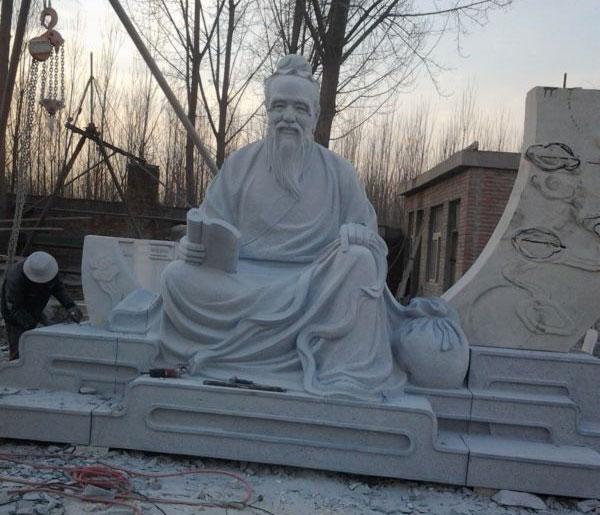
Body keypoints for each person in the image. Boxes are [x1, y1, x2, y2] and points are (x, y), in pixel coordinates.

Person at [159, 54, 467, 400]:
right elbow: (208, 226)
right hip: (243, 281)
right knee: (176, 277)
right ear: (267, 111)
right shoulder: (239, 165)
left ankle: (344, 371)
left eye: (300, 108)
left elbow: (370, 238)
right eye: (279, 106)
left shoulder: (338, 172)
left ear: (315, 116)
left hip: (316, 285)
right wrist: (191, 247)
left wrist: (359, 237)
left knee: (360, 262)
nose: (288, 117)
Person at [1, 251, 82, 360]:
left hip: (36, 306)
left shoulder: (48, 269)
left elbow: (58, 288)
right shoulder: (15, 279)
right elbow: (14, 308)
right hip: (15, 315)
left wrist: (70, 306)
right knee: (20, 349)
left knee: (43, 342)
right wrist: (33, 325)